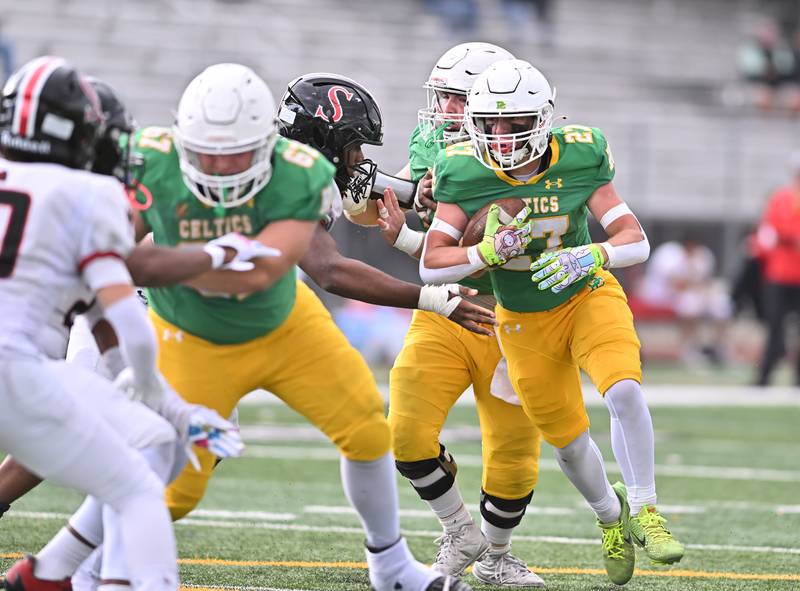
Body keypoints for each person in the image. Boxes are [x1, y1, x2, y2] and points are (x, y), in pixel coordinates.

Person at [130, 63, 473, 591]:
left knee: (364, 426)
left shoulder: (300, 164)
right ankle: (84, 559)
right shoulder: (189, 165)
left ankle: (392, 567)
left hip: (275, 313)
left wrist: (418, 192)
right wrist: (427, 297)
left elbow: (360, 184)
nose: (360, 159)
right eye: (353, 147)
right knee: (172, 470)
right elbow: (330, 269)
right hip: (179, 319)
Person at [421, 58, 686, 586]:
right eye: (490, 123)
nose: (501, 136)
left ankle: (647, 511)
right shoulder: (462, 169)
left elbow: (635, 240)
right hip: (522, 319)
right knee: (567, 441)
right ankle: (611, 518)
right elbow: (432, 263)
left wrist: (593, 254)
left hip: (586, 294)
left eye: (514, 122)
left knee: (624, 389)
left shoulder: (581, 153)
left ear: (542, 119)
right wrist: (485, 252)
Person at [0, 72, 248, 591]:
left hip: (23, 365)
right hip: (17, 369)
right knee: (139, 482)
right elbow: (129, 322)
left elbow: (105, 335)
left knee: (154, 441)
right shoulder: (86, 195)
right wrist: (168, 401)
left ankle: (52, 575)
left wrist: (170, 408)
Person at [357, 43, 547, 587]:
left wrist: (434, 217)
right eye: (442, 97)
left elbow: (492, 243)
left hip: (515, 316)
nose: (445, 111)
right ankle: (459, 530)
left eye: (457, 100)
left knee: (512, 454)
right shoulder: (435, 145)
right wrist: (368, 192)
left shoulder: (541, 161)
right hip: (446, 307)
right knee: (405, 432)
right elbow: (377, 212)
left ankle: (496, 555)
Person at [636, 237, 732, 365]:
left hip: (693, 293)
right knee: (689, 304)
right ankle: (688, 348)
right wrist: (695, 287)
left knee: (721, 304)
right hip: (663, 295)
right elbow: (675, 284)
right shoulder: (669, 253)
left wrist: (703, 291)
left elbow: (705, 281)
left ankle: (719, 347)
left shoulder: (703, 255)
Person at [754, 154, 800, 386]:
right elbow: (771, 231)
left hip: (787, 272)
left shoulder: (782, 198)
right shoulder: (781, 198)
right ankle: (766, 373)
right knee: (774, 326)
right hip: (780, 273)